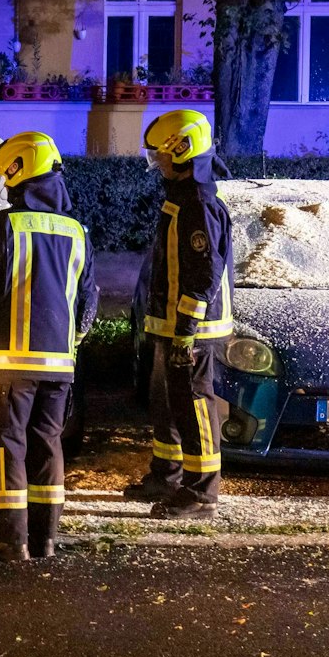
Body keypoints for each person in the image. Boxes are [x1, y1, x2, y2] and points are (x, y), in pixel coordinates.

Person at [0, 132, 97, 561]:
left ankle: (7, 538)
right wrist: (70, 346)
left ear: (20, 170)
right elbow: (88, 302)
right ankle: (44, 538)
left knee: (4, 444)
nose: (3, 183)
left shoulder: (1, 226)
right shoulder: (77, 232)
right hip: (59, 368)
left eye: (5, 174)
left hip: (9, 365)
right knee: (47, 443)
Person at [124, 109, 232, 520]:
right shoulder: (184, 197)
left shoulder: (199, 205)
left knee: (194, 405)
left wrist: (186, 329)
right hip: (172, 325)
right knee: (168, 404)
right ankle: (167, 475)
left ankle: (201, 493)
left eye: (161, 155)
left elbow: (205, 274)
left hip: (192, 330)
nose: (157, 163)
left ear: (183, 152)